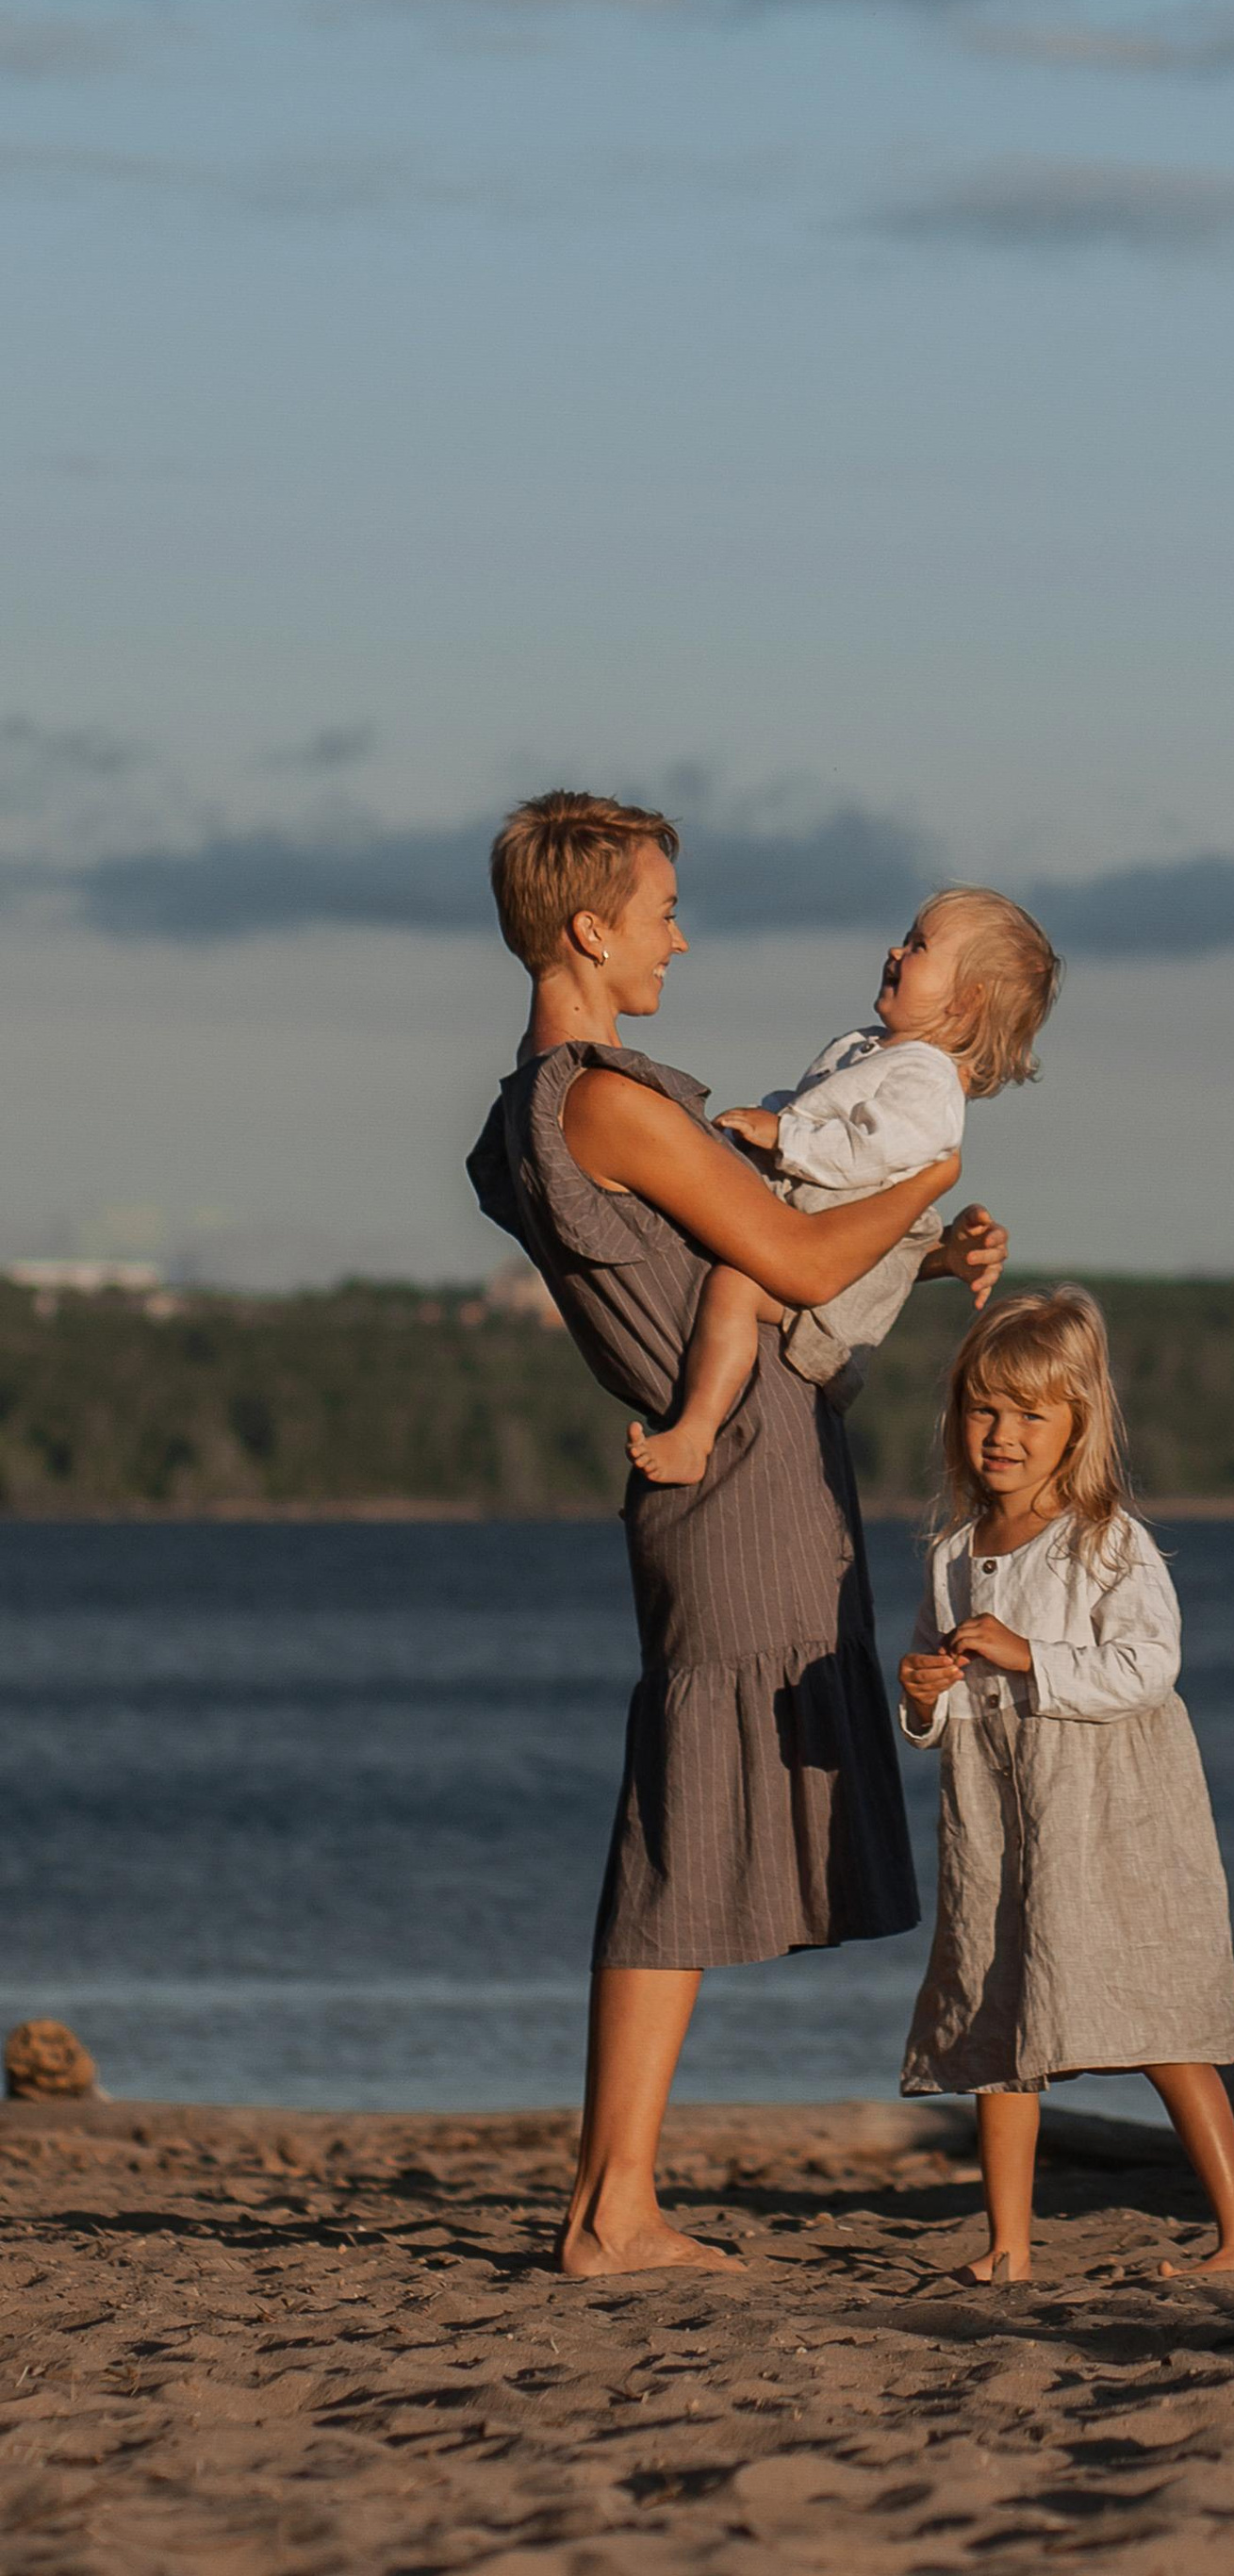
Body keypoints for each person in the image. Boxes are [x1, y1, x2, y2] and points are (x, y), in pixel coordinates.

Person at [466, 789, 1006, 2279]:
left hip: (726, 1459)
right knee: (685, 1816)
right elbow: (795, 1250)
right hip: (740, 1471)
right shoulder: (610, 1100)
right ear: (589, 927)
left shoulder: (530, 1106)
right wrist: (928, 1174)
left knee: (692, 1807)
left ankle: (616, 2197)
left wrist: (904, 1231)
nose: (677, 939)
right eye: (659, 913)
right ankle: (613, 2207)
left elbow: (770, 1266)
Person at [897, 1285, 1234, 2282]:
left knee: (1155, 2004)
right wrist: (925, 1693)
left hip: (1103, 1805)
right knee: (995, 2011)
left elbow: (1149, 1668)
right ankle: (1007, 2245)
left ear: (1076, 1428)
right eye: (984, 1410)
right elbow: (941, 1714)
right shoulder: (951, 1556)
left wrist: (1030, 1657)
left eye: (1029, 1414)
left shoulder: (1107, 1540)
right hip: (993, 1811)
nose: (1002, 1434)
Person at [627, 886, 1060, 1486]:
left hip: (841, 1281)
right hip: (807, 1227)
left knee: (733, 1289)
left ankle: (695, 1434)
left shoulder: (930, 1083)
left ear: (966, 1000)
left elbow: (864, 1152)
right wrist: (757, 1125)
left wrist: (781, 1135)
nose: (895, 951)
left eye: (919, 946)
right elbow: (812, 1107)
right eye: (906, 937)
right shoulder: (865, 1047)